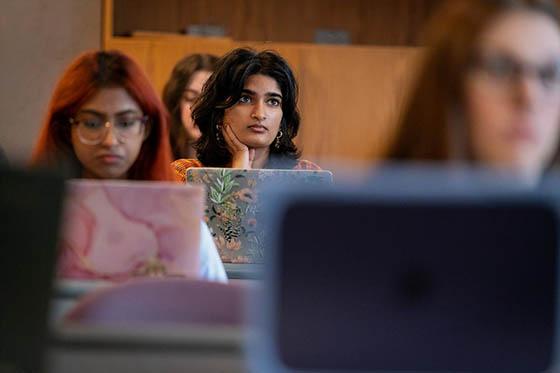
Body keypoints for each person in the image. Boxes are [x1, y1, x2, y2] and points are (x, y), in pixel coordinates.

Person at [31, 50, 226, 282]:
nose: (110, 140)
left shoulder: (181, 222)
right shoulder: (35, 219)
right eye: (92, 123)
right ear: (66, 129)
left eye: (126, 122)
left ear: (146, 128)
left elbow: (217, 310)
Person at [386, 0, 560, 185]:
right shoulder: (375, 210)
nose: (529, 97)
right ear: (449, 83)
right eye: (499, 68)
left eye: (549, 75)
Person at [172, 48, 320, 182]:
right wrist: (239, 174)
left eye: (273, 101)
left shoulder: (307, 176)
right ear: (219, 110)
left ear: (283, 117)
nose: (260, 114)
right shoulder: (185, 174)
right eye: (245, 99)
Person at [162, 53, 218, 160]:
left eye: (210, 100)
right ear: (176, 103)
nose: (199, 109)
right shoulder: (155, 156)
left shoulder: (240, 161)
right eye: (191, 98)